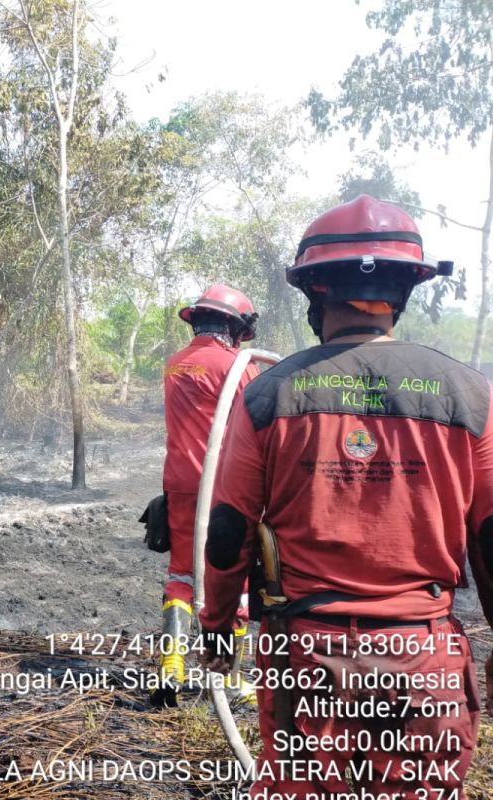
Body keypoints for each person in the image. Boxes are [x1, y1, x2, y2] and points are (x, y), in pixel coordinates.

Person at [200, 195, 489, 798]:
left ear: (315, 295)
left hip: (307, 658)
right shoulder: (472, 396)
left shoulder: (269, 395)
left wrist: (218, 628)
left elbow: (227, 530)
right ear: (404, 293)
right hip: (423, 659)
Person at [154, 284, 259, 704]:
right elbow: (253, 426)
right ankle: (229, 678)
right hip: (224, 487)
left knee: (182, 573)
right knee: (236, 576)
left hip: (179, 482)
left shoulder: (175, 363)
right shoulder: (238, 367)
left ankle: (171, 666)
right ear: (234, 327)